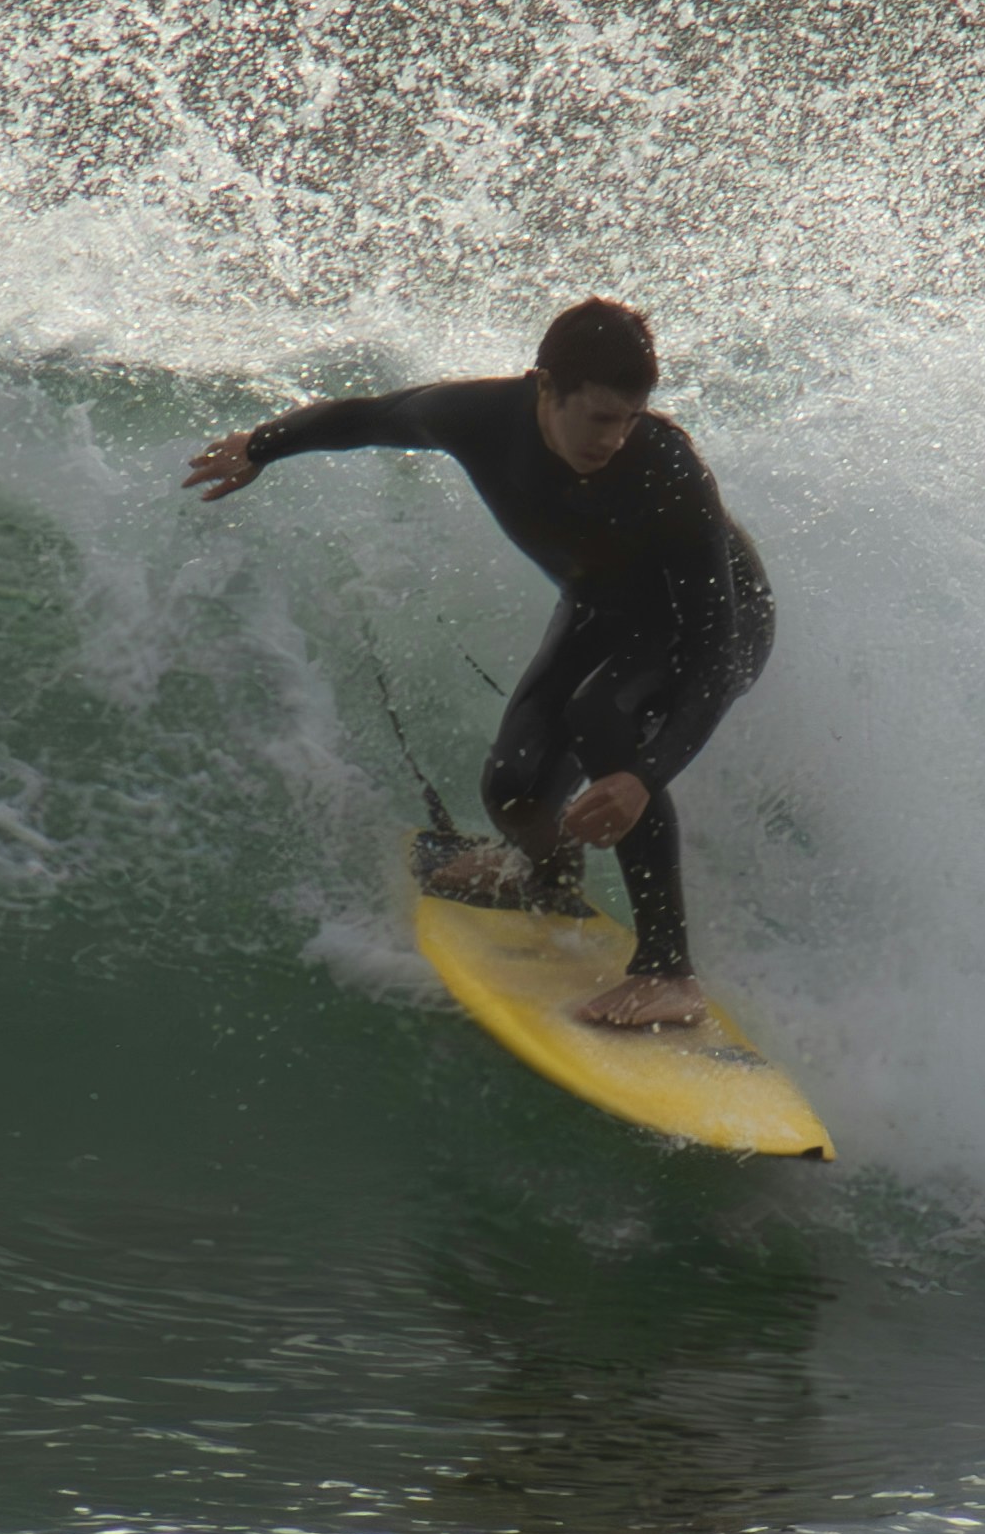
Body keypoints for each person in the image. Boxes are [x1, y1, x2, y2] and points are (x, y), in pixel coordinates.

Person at [186, 295, 773, 1038]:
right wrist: (261, 446)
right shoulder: (478, 418)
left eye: (628, 419)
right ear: (545, 388)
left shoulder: (668, 470)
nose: (615, 439)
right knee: (516, 790)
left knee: (601, 717)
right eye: (597, 417)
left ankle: (667, 972)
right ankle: (546, 878)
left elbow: (714, 654)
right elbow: (371, 415)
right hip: (606, 608)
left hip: (720, 623)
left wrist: (642, 776)